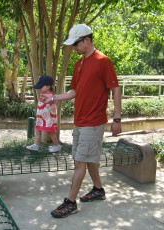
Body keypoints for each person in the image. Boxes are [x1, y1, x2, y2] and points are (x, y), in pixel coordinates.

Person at [42, 24, 122, 218]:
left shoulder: (103, 61)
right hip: (80, 121)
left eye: (76, 44)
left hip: (93, 122)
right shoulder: (79, 64)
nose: (74, 47)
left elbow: (115, 89)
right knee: (89, 160)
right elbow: (75, 91)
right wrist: (54, 97)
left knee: (80, 162)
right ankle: (98, 189)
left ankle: (70, 203)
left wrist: (116, 118)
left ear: (87, 40)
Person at [26, 75, 62, 153]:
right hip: (41, 118)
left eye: (41, 87)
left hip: (48, 119)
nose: (39, 89)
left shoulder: (50, 95)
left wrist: (47, 98)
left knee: (50, 132)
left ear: (48, 86)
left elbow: (50, 101)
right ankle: (36, 145)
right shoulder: (43, 93)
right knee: (37, 130)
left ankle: (57, 145)